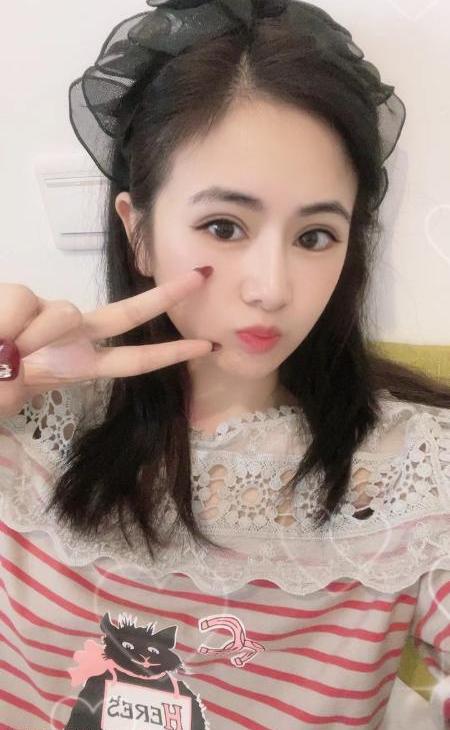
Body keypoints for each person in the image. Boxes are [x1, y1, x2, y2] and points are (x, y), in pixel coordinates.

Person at [1, 0, 449, 728]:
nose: (272, 288)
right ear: (138, 234)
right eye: (224, 226)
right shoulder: (25, 424)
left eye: (315, 236)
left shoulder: (414, 477)